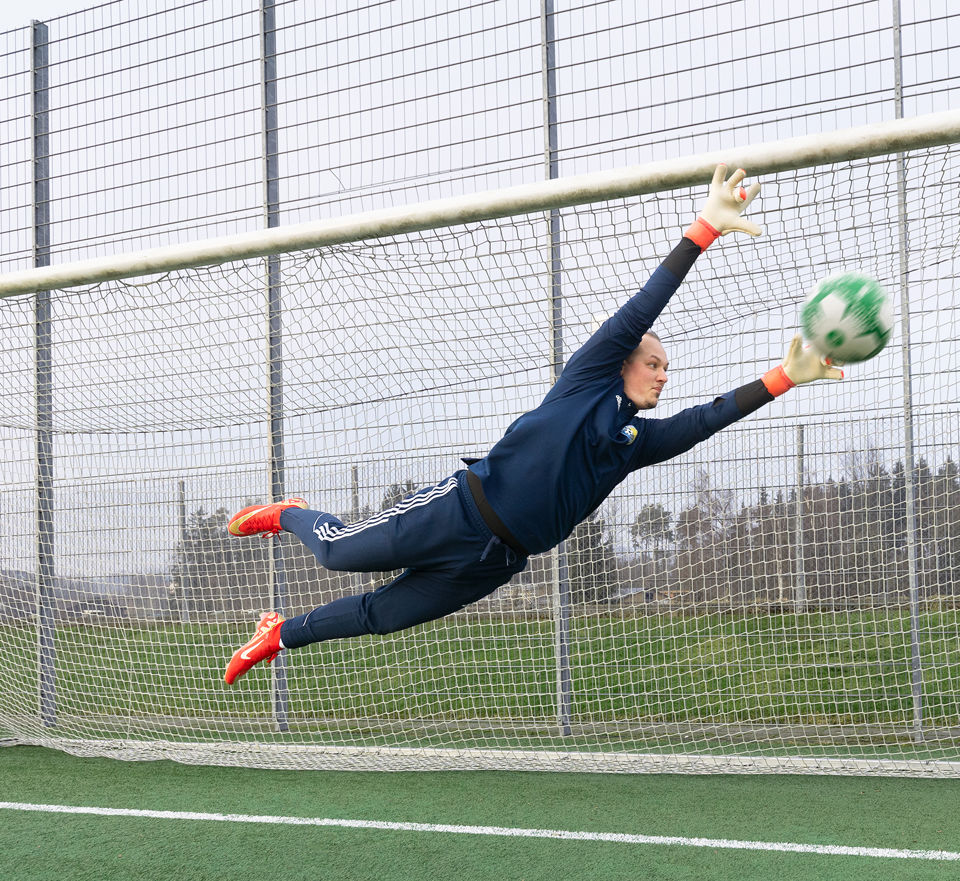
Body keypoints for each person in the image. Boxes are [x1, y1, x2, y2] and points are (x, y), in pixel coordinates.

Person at [223, 164, 842, 685]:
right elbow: (641, 309)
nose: (662, 375)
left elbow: (707, 419)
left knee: (379, 617)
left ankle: (278, 635)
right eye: (653, 363)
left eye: (667, 369)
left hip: (495, 561)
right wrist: (703, 231)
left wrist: (783, 377)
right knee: (334, 553)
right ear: (621, 362)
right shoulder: (585, 381)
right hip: (458, 511)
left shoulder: (634, 443)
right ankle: (289, 512)